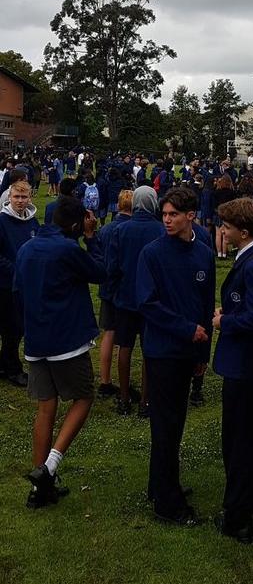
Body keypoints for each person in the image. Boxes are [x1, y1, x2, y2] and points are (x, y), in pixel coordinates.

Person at [15, 196, 106, 508]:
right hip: (65, 340)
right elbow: (100, 273)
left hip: (36, 340)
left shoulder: (26, 248)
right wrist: (92, 238)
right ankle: (49, 467)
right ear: (77, 224)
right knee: (83, 397)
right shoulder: (68, 249)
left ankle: (42, 488)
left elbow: (18, 289)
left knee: (46, 407)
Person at [136, 188, 215, 526]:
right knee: (166, 425)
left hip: (188, 351)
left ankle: (161, 484)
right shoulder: (152, 254)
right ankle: (168, 504)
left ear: (190, 216)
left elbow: (205, 304)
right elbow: (148, 303)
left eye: (173, 215)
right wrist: (185, 329)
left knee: (175, 423)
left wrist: (201, 354)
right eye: (164, 214)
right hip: (163, 351)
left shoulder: (204, 253)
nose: (166, 220)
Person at [212, 197, 253, 545]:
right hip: (248, 365)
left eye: (226, 226)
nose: (222, 230)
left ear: (244, 231)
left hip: (245, 365)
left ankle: (237, 515)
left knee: (239, 440)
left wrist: (225, 321)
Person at [108, 186, 164, 415]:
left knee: (125, 346)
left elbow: (112, 267)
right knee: (149, 348)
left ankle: (123, 397)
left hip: (126, 296)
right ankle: (146, 400)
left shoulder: (121, 230)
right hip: (151, 298)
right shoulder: (161, 230)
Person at [0, 180, 39, 387]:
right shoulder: (2, 221)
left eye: (24, 197)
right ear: (9, 198)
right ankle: (13, 369)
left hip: (26, 284)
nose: (20, 201)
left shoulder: (32, 222)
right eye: (17, 197)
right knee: (11, 327)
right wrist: (16, 270)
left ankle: (4, 362)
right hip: (6, 284)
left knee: (18, 326)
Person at [96, 190, 133, 398]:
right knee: (125, 336)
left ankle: (105, 379)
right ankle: (121, 379)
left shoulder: (106, 229)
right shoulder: (131, 230)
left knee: (109, 332)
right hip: (124, 286)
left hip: (107, 285)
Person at [212, 175, 236, 259]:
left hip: (217, 213)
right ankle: (225, 254)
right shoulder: (232, 192)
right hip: (227, 214)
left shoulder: (217, 192)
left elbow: (214, 204)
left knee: (217, 235)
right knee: (225, 234)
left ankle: (219, 253)